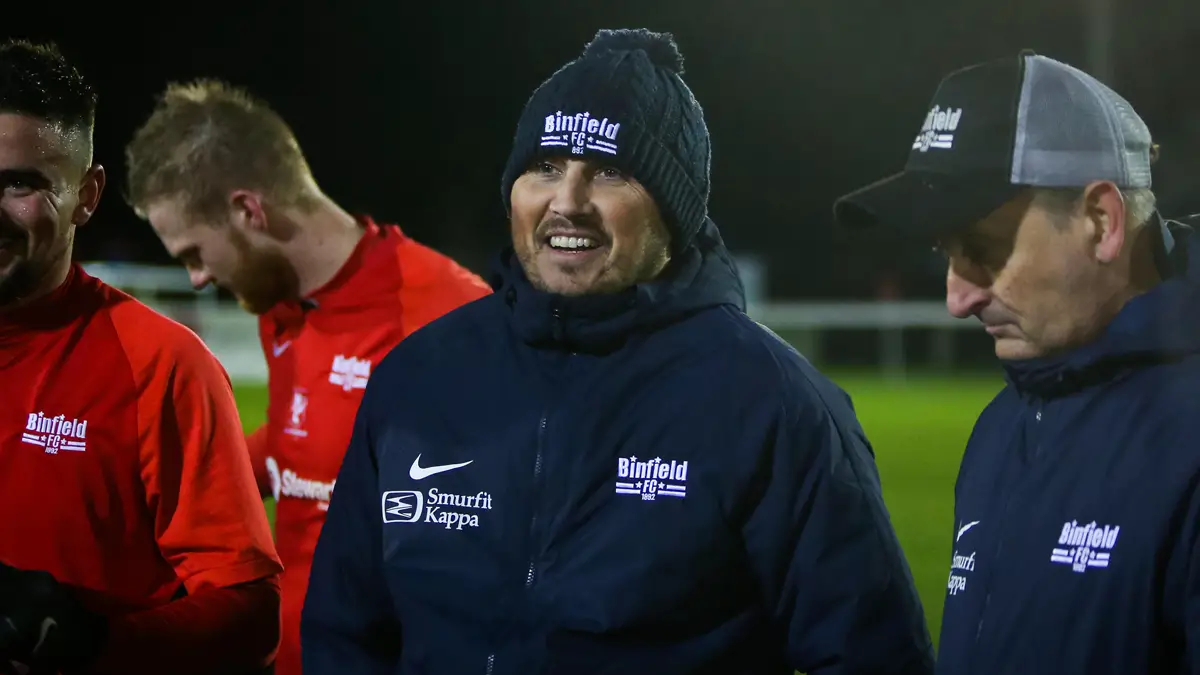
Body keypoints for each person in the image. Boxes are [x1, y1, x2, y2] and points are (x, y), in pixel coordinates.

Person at [302, 27, 936, 675]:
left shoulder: (771, 402)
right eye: (545, 166)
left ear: (673, 212)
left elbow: (875, 656)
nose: (568, 203)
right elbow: (343, 631)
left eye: (610, 171)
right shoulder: (419, 377)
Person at [834, 50, 1200, 674]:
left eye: (983, 250)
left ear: (1101, 221)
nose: (957, 298)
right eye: (945, 254)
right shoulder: (1002, 426)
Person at [123, 79, 491, 675]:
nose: (195, 278)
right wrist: (170, 493)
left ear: (249, 210)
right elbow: (298, 446)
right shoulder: (279, 303)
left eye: (194, 253)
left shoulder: (447, 314)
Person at [0, 40, 283, 674]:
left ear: (87, 194)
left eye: (19, 184)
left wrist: (90, 644)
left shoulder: (161, 364)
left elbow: (249, 610)